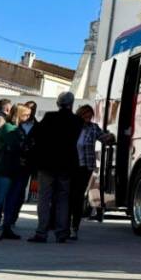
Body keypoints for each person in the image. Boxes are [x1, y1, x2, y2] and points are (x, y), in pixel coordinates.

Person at [28, 92, 82, 243]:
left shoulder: (50, 117)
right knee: (63, 198)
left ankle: (41, 232)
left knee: (44, 198)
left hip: (47, 163)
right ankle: (61, 232)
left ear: (58, 103)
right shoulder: (77, 121)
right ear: (72, 103)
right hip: (66, 165)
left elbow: (36, 135)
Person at [69, 104, 113, 240]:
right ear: (80, 115)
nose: (88, 118)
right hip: (71, 166)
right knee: (68, 196)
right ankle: (63, 225)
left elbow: (104, 138)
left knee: (78, 197)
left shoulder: (93, 128)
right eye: (85, 115)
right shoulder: (72, 127)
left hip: (86, 167)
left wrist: (111, 136)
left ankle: (74, 228)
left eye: (90, 116)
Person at [0, 104, 31, 240]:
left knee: (10, 200)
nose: (28, 117)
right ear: (19, 114)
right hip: (5, 168)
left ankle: (6, 227)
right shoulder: (8, 128)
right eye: (26, 115)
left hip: (15, 169)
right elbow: (13, 147)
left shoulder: (18, 129)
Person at [2, 101, 39, 236]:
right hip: (11, 166)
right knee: (5, 195)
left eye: (33, 110)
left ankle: (10, 221)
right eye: (28, 111)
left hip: (25, 166)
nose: (30, 113)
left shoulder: (36, 126)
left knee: (17, 194)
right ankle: (2, 222)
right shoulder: (12, 127)